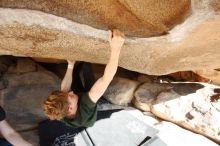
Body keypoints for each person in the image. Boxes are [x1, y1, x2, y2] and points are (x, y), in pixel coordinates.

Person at [43, 29, 125, 128]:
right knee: (88, 73)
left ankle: (79, 66)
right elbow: (106, 79)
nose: (71, 92)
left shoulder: (61, 110)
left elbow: (64, 89)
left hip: (77, 102)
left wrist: (70, 65)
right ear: (70, 109)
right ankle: (86, 63)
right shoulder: (86, 105)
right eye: (71, 97)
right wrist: (116, 48)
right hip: (86, 105)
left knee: (73, 79)